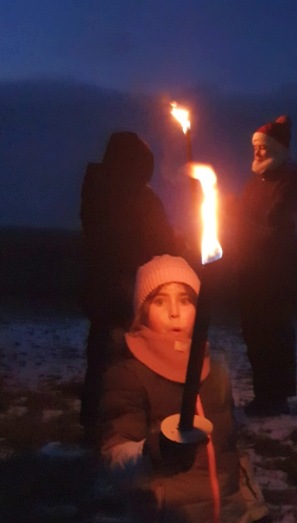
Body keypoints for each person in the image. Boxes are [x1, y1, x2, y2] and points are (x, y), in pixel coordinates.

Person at [99, 254, 268, 523]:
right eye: (160, 301)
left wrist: (256, 514)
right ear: (142, 311)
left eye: (186, 300)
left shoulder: (215, 370)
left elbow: (231, 452)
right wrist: (155, 452)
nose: (175, 312)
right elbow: (116, 462)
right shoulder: (130, 375)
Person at [79, 132, 177, 442]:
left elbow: (157, 239)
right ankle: (104, 424)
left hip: (116, 288)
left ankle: (109, 421)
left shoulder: (108, 190)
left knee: (112, 356)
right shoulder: (116, 196)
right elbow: (138, 242)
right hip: (119, 290)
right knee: (113, 356)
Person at [236, 115, 297, 416]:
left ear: (278, 150)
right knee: (253, 331)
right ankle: (263, 393)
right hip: (251, 270)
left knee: (273, 332)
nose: (257, 152)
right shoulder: (256, 183)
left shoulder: (288, 182)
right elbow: (242, 216)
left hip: (274, 272)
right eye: (255, 147)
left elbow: (275, 221)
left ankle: (276, 397)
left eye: (263, 147)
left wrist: (241, 225)